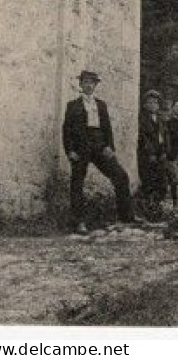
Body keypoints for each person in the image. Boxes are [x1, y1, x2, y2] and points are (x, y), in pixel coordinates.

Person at [62, 70, 135, 234]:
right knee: (77, 183)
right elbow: (66, 130)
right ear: (81, 84)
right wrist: (70, 151)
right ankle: (79, 222)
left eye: (92, 82)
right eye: (86, 82)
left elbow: (107, 127)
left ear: (95, 86)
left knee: (121, 176)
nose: (89, 85)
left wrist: (110, 146)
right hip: (81, 147)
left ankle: (126, 217)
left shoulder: (101, 105)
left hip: (99, 145)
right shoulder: (72, 105)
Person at [137, 89, 167, 220]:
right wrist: (150, 153)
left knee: (161, 181)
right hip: (147, 155)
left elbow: (164, 137)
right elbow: (143, 138)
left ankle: (157, 206)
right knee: (148, 181)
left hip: (160, 154)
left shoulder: (160, 120)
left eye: (155, 102)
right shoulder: (142, 119)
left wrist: (164, 152)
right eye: (150, 102)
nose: (153, 105)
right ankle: (148, 209)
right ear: (144, 105)